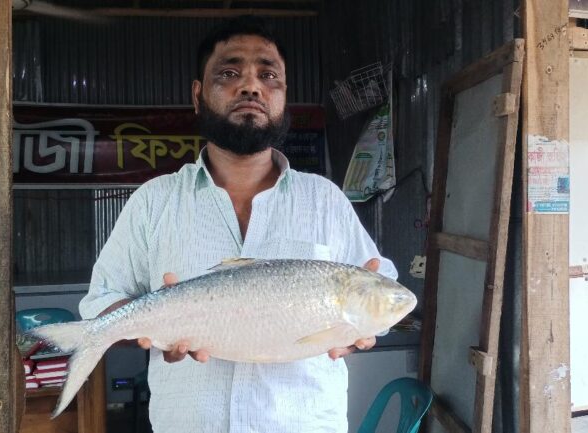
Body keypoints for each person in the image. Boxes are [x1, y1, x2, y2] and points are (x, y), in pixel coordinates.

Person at [79, 15, 398, 433]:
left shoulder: (325, 200)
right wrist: (151, 324)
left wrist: (357, 333)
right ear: (198, 95)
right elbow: (101, 303)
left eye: (269, 75)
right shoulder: (153, 202)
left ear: (284, 97)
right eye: (229, 73)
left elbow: (381, 292)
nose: (251, 86)